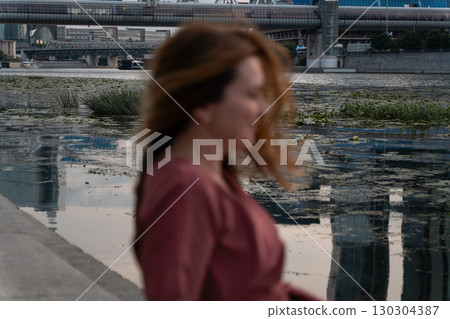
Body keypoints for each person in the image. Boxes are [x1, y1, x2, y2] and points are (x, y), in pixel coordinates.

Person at [134, 22, 318, 301]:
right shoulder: (184, 188)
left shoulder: (215, 174)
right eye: (251, 94)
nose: (264, 108)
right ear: (204, 103)